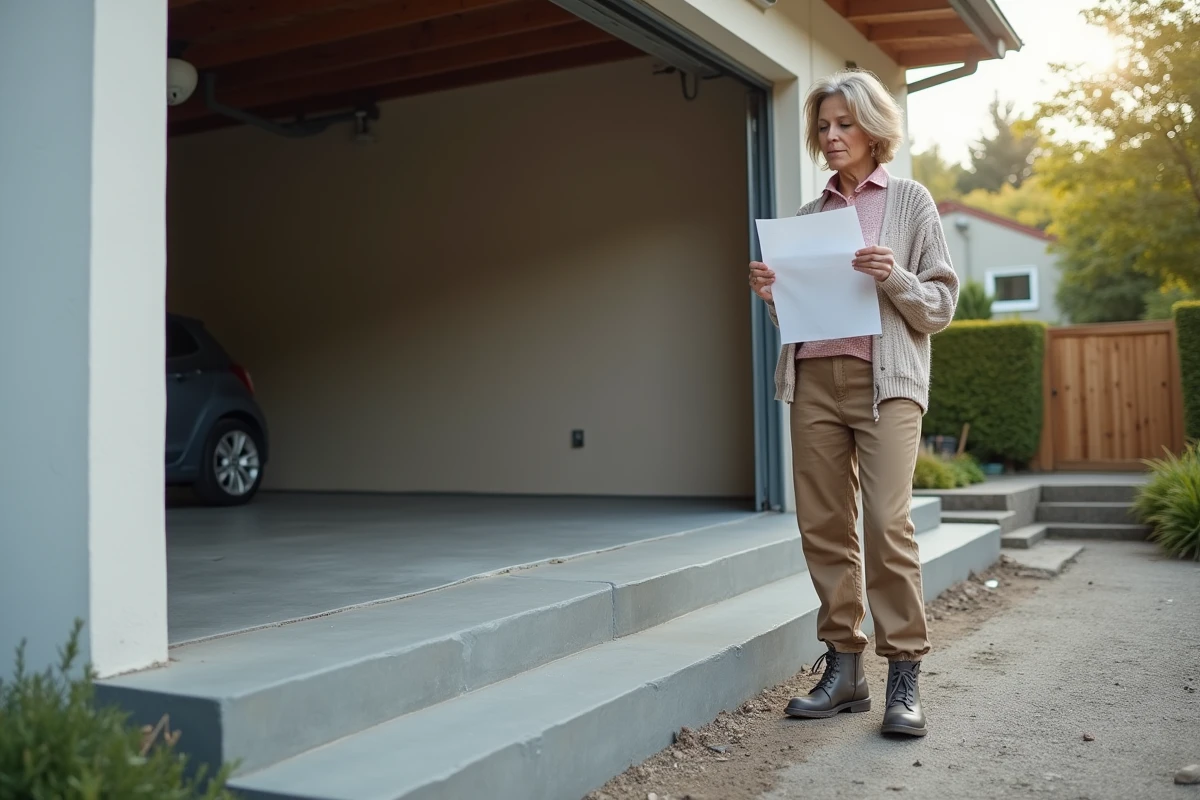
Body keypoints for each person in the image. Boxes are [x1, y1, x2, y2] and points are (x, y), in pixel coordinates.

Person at [747, 69, 958, 737]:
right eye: (824, 126)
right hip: (812, 379)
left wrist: (891, 273)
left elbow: (940, 307)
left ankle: (904, 674)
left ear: (873, 129)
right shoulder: (809, 218)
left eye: (845, 124)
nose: (831, 136)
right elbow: (806, 318)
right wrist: (774, 296)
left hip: (885, 381)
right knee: (823, 527)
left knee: (887, 525)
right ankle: (844, 670)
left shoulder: (910, 201)